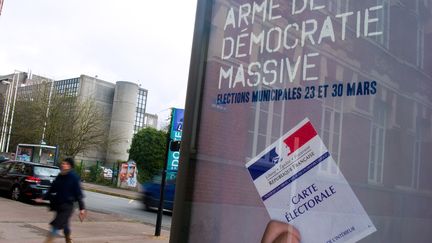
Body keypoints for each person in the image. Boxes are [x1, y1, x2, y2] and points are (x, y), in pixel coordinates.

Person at [40, 158, 86, 243]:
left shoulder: (74, 177)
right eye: (62, 163)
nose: (62, 165)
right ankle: (68, 239)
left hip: (68, 206)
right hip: (59, 204)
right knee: (64, 224)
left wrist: (82, 208)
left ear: (69, 166)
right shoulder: (60, 176)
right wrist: (43, 197)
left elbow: (78, 193)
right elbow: (52, 189)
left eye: (65, 164)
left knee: (56, 225)